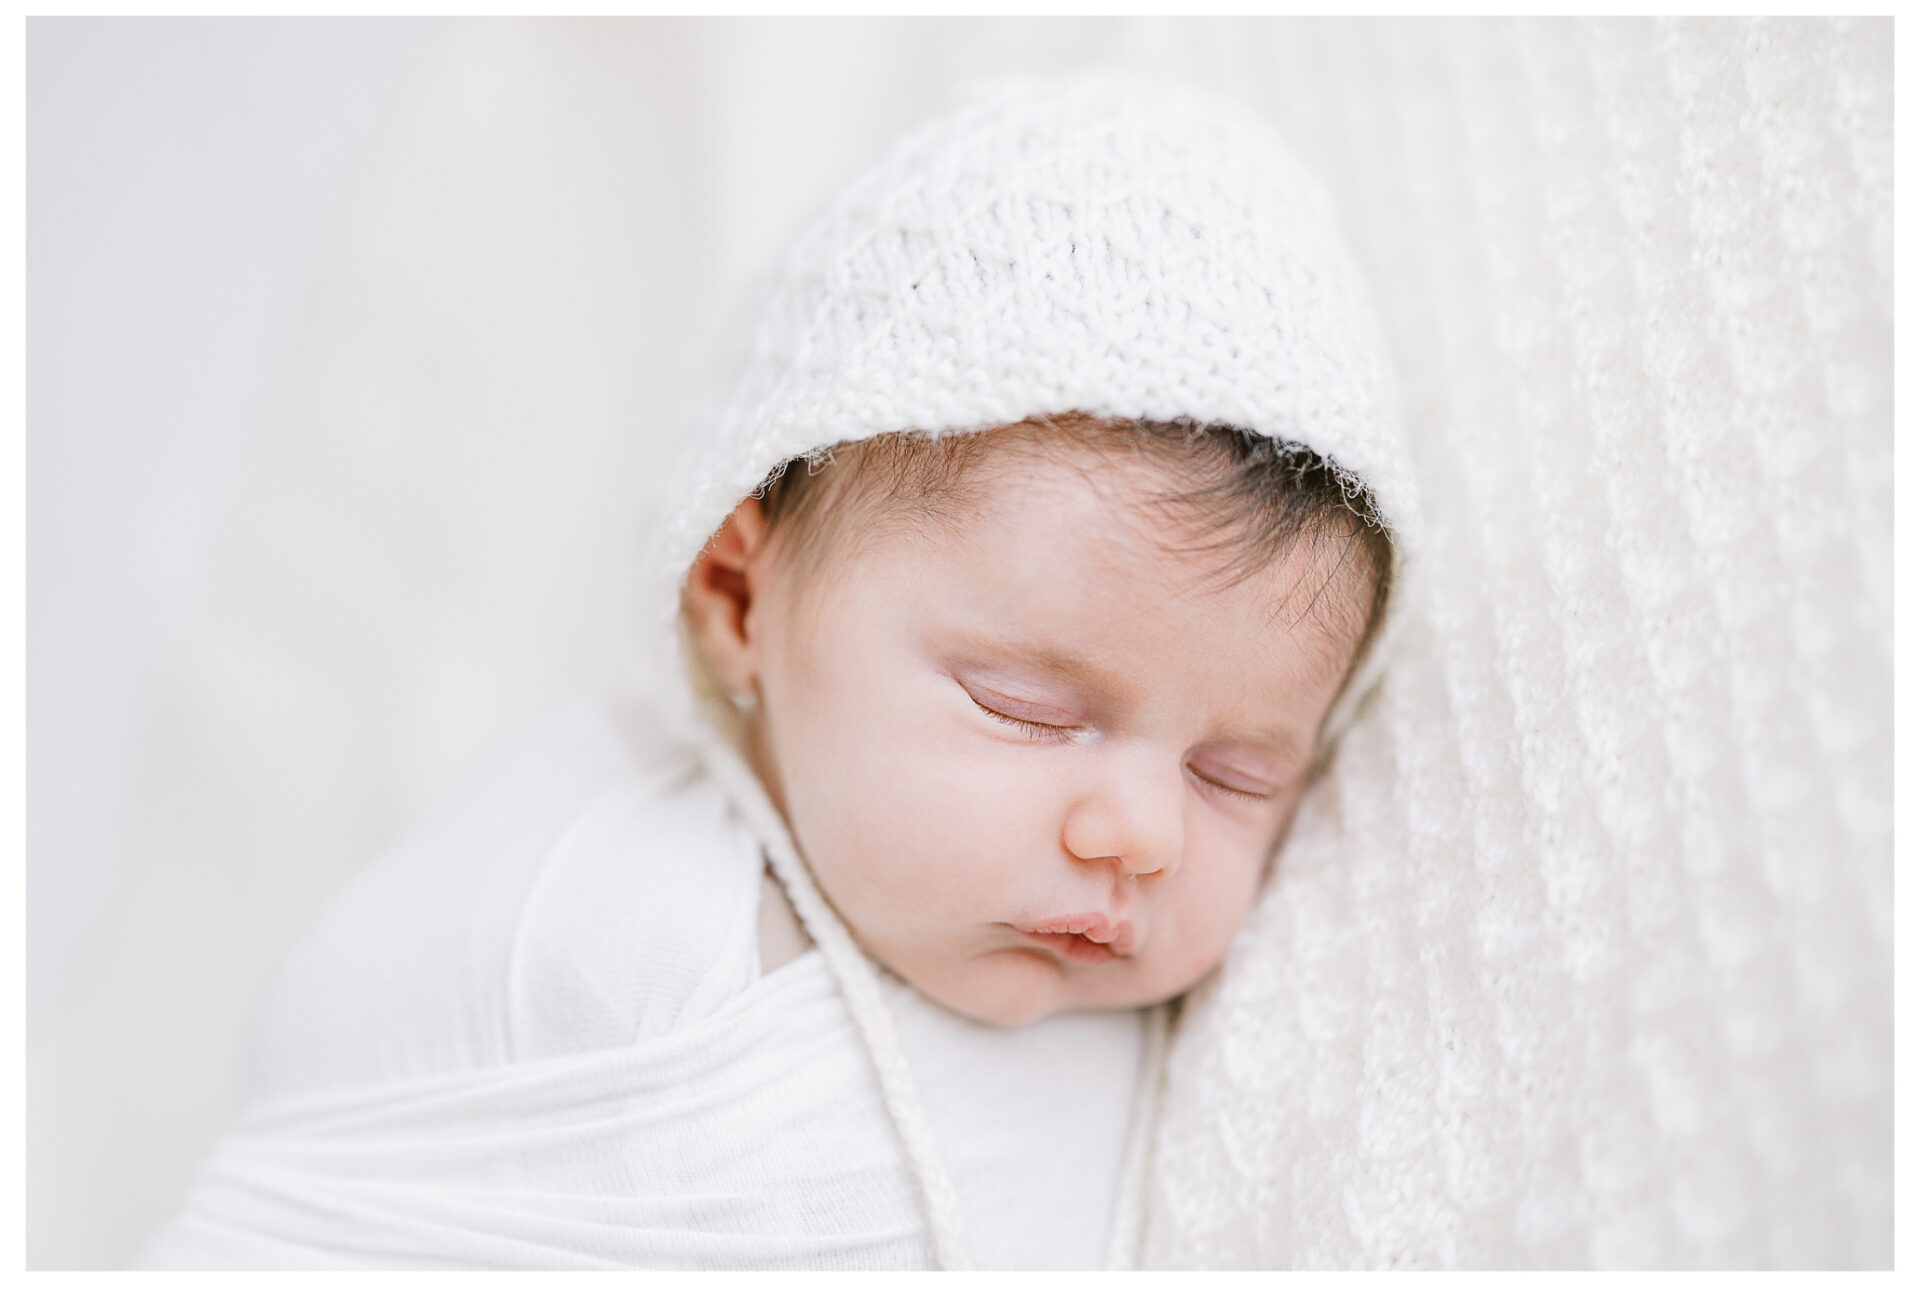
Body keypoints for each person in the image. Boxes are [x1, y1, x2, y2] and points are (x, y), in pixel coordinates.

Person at [134, 70, 1413, 1270]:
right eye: (1027, 710)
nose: (1143, 831)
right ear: (742, 597)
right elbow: (321, 1175)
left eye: (1237, 774)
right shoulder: (595, 891)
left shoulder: (1156, 1035)